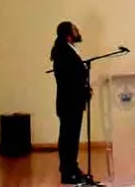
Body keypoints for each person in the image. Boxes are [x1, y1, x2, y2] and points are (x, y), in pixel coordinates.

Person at [51, 21, 92, 185]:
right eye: (75, 30)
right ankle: (68, 172)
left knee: (71, 138)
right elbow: (69, 80)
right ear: (68, 34)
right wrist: (83, 89)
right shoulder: (64, 52)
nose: (78, 32)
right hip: (70, 102)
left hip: (71, 102)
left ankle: (71, 169)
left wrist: (84, 89)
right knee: (69, 138)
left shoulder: (67, 51)